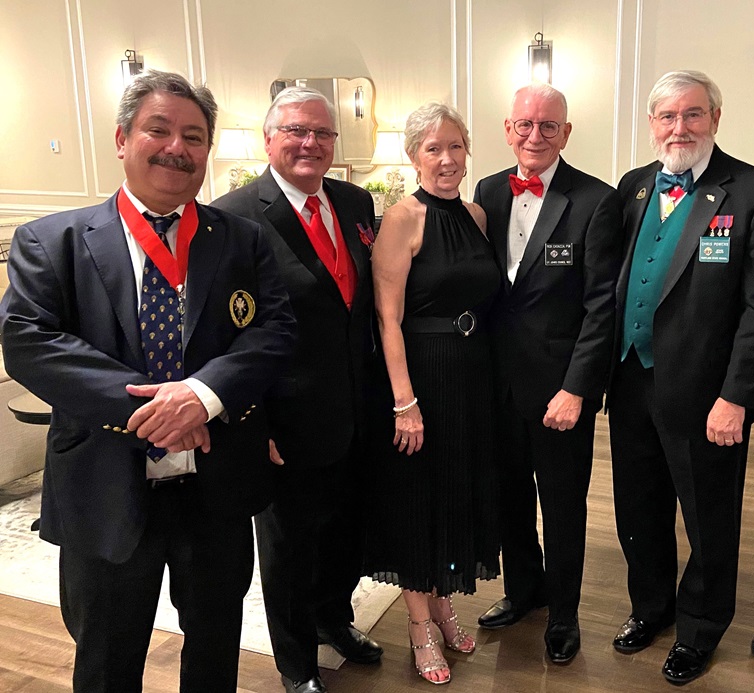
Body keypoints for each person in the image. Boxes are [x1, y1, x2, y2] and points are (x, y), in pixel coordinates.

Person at [0, 70, 296, 692]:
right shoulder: (51, 241)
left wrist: (201, 396)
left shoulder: (241, 240)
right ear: (121, 138)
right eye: (158, 130)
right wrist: (156, 410)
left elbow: (274, 332)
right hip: (106, 484)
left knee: (215, 647)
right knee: (106, 655)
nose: (176, 148)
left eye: (194, 136)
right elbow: (29, 342)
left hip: (215, 488)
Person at [608, 70, 754, 685]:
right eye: (667, 116)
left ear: (715, 118)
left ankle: (700, 628)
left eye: (692, 114)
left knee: (708, 518)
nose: (679, 127)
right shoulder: (634, 187)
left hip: (706, 393)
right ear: (651, 124)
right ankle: (650, 607)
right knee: (638, 507)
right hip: (630, 378)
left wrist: (736, 396)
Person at [212, 87, 381, 693]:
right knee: (288, 549)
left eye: (322, 133)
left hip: (355, 409)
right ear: (269, 140)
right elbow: (225, 335)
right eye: (296, 131)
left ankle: (335, 619)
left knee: (344, 533)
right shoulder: (233, 216)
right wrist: (251, 423)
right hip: (283, 422)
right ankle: (297, 664)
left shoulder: (356, 202)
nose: (311, 143)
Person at [473, 83, 622, 664]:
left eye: (548, 126)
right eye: (525, 124)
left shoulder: (596, 200)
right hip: (497, 385)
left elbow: (601, 306)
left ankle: (563, 613)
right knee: (509, 499)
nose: (535, 135)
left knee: (562, 507)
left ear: (566, 132)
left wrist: (577, 388)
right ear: (508, 129)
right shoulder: (487, 191)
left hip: (560, 390)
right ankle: (523, 591)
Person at [366, 102, 502, 685]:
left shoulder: (476, 214)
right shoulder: (402, 218)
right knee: (419, 498)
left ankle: (444, 605)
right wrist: (404, 401)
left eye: (456, 146)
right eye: (433, 148)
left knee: (454, 492)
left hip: (472, 372)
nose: (447, 159)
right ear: (413, 156)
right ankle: (420, 625)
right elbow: (387, 318)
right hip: (422, 372)